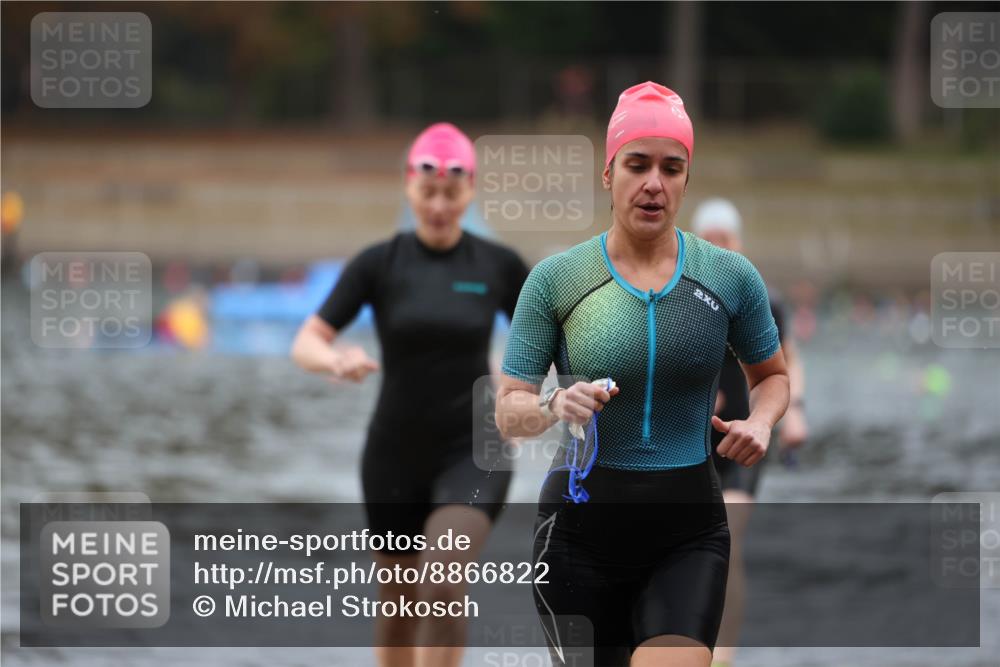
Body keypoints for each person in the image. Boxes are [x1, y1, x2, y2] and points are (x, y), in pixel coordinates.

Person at [494, 82, 789, 667]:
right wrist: (555, 404)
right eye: (637, 164)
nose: (654, 182)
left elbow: (772, 376)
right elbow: (508, 410)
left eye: (671, 168)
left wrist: (763, 420)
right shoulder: (556, 281)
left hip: (689, 534)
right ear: (608, 173)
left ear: (686, 178)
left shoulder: (730, 277)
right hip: (578, 537)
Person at [290, 122, 529, 667]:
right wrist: (336, 359)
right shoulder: (380, 263)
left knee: (442, 582)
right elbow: (306, 340)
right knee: (399, 607)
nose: (440, 205)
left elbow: (560, 339)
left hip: (475, 448)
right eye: (429, 192)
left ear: (471, 190)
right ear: (408, 187)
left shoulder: (499, 265)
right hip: (394, 453)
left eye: (452, 193)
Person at [690, 198, 808, 667]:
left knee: (728, 543)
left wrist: (793, 410)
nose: (720, 248)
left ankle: (723, 655)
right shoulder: (682, 293)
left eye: (727, 239)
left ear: (740, 242)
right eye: (710, 240)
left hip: (745, 437)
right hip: (690, 439)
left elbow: (789, 361)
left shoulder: (761, 297)